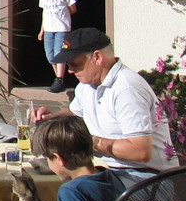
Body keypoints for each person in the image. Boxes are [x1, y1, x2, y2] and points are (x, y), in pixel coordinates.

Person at [33, 28, 174, 185]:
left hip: (145, 177)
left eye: (75, 64)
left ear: (97, 57)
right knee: (42, 180)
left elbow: (140, 152)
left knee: (73, 190)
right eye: (68, 64)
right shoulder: (86, 85)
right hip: (110, 171)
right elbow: (75, 112)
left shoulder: (127, 88)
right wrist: (50, 118)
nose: (70, 70)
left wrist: (86, 142)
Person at [36, 0, 77, 93]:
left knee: (59, 52)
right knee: (50, 55)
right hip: (49, 28)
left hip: (61, 28)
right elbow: (45, 13)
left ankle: (59, 79)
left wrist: (64, 15)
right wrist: (42, 30)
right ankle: (58, 78)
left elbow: (73, 8)